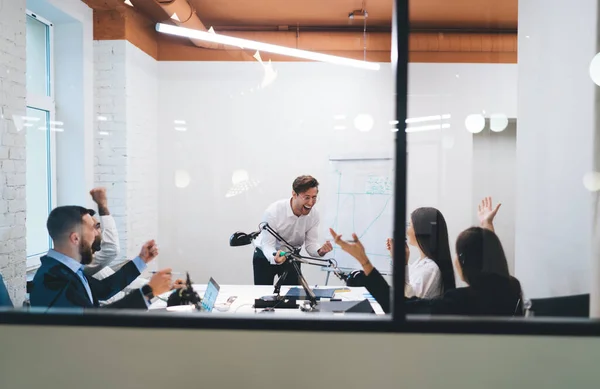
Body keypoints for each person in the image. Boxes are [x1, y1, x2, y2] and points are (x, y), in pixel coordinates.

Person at [331, 197, 523, 316]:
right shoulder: (509, 289)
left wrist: (365, 262)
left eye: (410, 224)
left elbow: (401, 305)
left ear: (465, 262)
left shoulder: (458, 300)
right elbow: (493, 264)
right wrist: (487, 225)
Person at [30, 206, 173, 310]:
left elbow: (104, 289)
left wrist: (142, 259)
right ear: (75, 238)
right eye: (93, 228)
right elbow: (95, 322)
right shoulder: (54, 280)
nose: (97, 234)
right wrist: (149, 292)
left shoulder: (65, 270)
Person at [252, 175, 333, 285]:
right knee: (263, 297)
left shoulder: (314, 215)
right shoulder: (273, 212)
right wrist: (275, 257)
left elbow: (311, 244)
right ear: (294, 194)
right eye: (307, 197)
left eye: (314, 197)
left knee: (292, 297)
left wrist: (320, 251)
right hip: (265, 255)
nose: (311, 203)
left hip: (291, 256)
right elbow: (267, 245)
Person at [83, 187, 149, 304]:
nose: (99, 232)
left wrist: (157, 286)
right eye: (96, 227)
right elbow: (111, 249)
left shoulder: (92, 262)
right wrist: (102, 205)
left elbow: (119, 282)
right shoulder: (82, 265)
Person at [386, 207, 455, 298]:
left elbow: (408, 300)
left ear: (421, 230)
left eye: (410, 225)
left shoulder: (431, 269)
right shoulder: (420, 263)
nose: (407, 231)